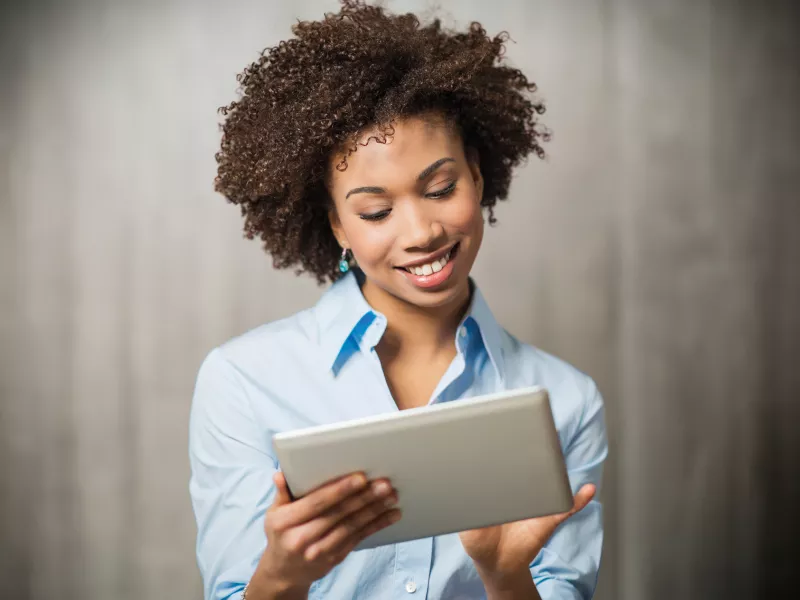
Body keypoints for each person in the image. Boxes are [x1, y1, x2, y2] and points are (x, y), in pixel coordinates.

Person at [189, 1, 608, 598]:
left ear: (478, 176)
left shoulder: (565, 401)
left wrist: (506, 575)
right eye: (375, 211)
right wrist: (282, 576)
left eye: (440, 188)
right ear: (335, 224)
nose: (420, 234)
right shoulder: (243, 382)